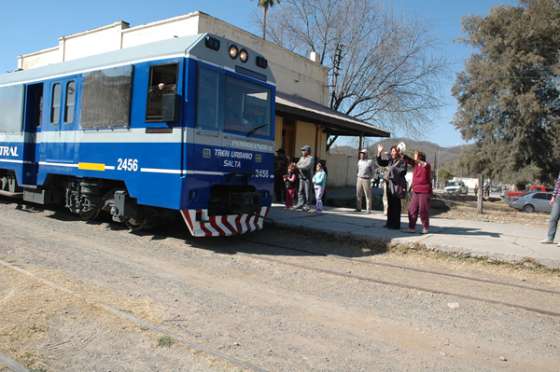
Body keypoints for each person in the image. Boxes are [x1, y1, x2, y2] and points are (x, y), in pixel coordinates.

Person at [376, 144, 407, 229]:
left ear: (398, 152)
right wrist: (379, 152)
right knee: (390, 204)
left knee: (396, 205)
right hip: (389, 184)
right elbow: (380, 162)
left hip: (397, 185)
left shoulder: (402, 161)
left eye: (394, 151)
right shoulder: (390, 161)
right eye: (392, 151)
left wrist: (392, 170)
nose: (392, 153)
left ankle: (396, 224)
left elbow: (403, 172)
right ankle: (389, 223)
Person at [405, 151, 432, 234]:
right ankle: (411, 227)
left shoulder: (427, 165)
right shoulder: (415, 164)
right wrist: (402, 154)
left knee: (423, 210)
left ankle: (425, 227)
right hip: (415, 190)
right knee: (412, 209)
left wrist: (417, 161)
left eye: (415, 155)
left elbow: (424, 164)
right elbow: (408, 160)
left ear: (420, 157)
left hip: (424, 191)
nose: (414, 157)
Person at [541, 172, 560, 244]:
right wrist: (553, 196)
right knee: (553, 218)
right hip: (558, 197)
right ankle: (550, 238)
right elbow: (558, 184)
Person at [294, 145, 314, 211]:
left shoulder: (311, 158)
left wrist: (299, 166)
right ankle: (300, 204)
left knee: (307, 192)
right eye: (302, 150)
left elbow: (307, 167)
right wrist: (298, 166)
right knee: (300, 191)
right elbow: (297, 164)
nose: (302, 151)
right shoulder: (301, 158)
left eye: (304, 150)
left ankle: (307, 205)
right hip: (301, 177)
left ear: (308, 151)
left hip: (307, 178)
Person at [356, 149, 375, 213]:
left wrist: (371, 178)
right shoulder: (359, 161)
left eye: (363, 153)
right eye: (361, 153)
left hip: (366, 179)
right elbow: (358, 169)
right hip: (359, 178)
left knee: (368, 195)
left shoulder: (370, 162)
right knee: (358, 194)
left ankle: (368, 210)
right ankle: (358, 208)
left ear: (366, 154)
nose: (361, 154)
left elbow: (373, 171)